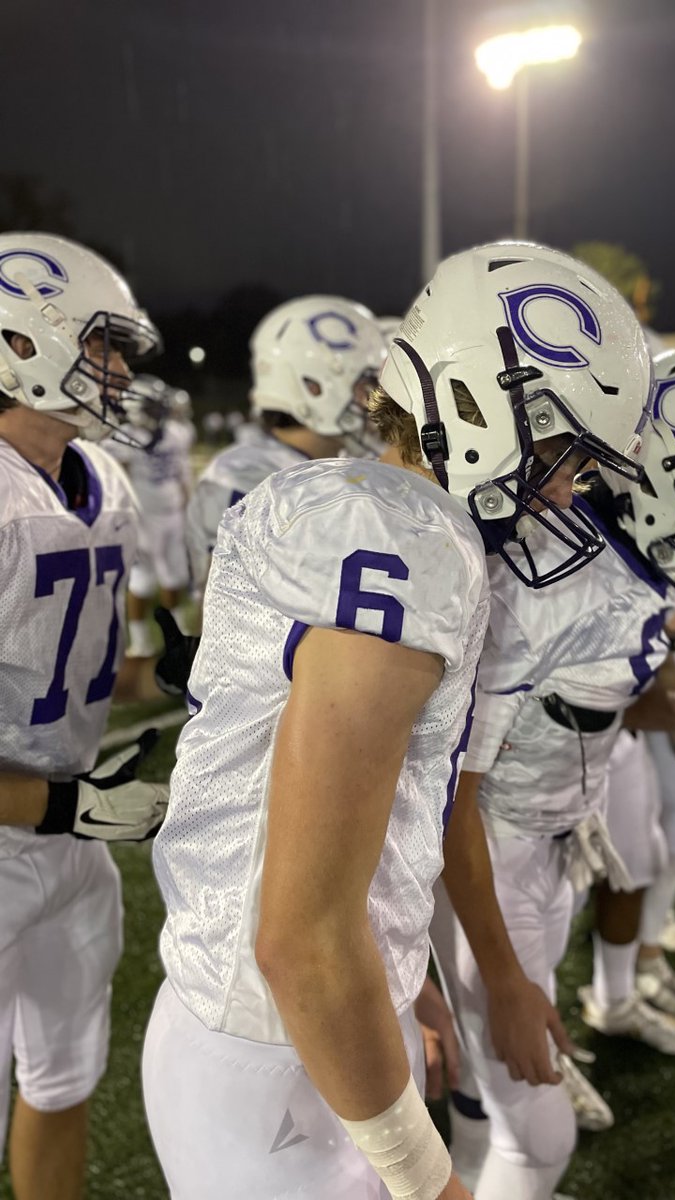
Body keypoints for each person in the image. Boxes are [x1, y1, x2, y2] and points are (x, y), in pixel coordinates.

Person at [141, 241, 651, 1200]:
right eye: (567, 455)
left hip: (288, 1038)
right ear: (483, 410)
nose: (572, 490)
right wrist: (430, 1180)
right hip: (277, 1055)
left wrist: (402, 974)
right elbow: (300, 936)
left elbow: (351, 827)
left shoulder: (382, 512)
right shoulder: (400, 543)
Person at [432, 344, 675, 1199]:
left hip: (552, 841)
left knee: (491, 1102)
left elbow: (577, 701)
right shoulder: (540, 578)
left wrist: (668, 711)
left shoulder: (634, 564)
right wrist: (500, 975)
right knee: (540, 1137)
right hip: (489, 859)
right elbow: (448, 789)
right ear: (667, 481)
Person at [0, 232, 171, 1200]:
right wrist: (63, 810)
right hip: (30, 824)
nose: (114, 372)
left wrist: (164, 675)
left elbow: (71, 669)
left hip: (62, 833)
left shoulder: (94, 479)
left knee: (64, 1079)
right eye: (100, 347)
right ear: (18, 344)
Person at [185, 293, 385, 593]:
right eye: (365, 386)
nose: (372, 400)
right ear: (314, 387)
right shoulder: (246, 476)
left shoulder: (324, 466)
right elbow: (232, 607)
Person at [105, 375, 196, 652]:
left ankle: (177, 634)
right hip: (141, 518)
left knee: (174, 576)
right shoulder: (124, 437)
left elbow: (182, 472)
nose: (160, 411)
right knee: (141, 581)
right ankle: (142, 641)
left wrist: (188, 504)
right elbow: (118, 480)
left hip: (172, 515)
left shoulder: (176, 433)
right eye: (154, 405)